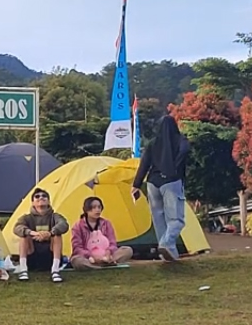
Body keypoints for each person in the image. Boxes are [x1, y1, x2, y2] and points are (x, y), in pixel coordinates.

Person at [132, 114, 190, 262]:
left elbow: (144, 163)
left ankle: (169, 254)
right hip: (171, 182)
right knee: (176, 220)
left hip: (152, 183)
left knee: (159, 219)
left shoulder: (153, 143)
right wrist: (173, 169)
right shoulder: (181, 140)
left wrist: (136, 185)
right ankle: (166, 244)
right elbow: (184, 152)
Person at [12, 187, 69, 283]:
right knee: (24, 235)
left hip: (50, 255)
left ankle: (55, 270)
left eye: (44, 196)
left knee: (57, 235)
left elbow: (64, 225)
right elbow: (17, 228)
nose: (40, 198)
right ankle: (23, 269)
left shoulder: (55, 216)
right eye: (37, 196)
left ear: (49, 201)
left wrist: (50, 233)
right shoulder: (26, 218)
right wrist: (32, 233)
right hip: (32, 255)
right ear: (33, 202)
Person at [69, 196, 134, 270]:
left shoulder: (106, 223)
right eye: (94, 207)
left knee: (127, 250)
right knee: (76, 261)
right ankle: (104, 265)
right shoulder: (78, 226)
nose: (97, 210)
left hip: (106, 255)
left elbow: (112, 243)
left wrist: (108, 252)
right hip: (89, 258)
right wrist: (91, 255)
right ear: (86, 209)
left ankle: (106, 262)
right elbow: (77, 248)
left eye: (99, 207)